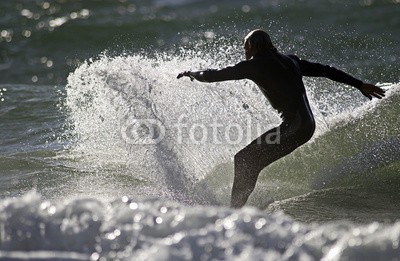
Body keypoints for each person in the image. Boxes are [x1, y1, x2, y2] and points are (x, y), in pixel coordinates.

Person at [177, 29, 385, 208]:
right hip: (306, 125)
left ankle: (234, 211)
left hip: (294, 127)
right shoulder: (290, 60)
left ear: (252, 45)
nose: (245, 52)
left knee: (244, 159)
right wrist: (359, 84)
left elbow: (213, 75)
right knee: (251, 162)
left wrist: (191, 73)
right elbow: (326, 70)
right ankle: (239, 208)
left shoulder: (255, 65)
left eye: (245, 47)